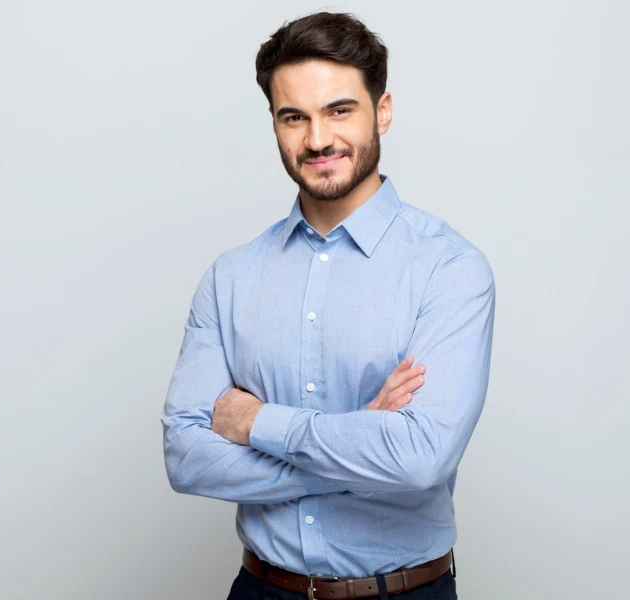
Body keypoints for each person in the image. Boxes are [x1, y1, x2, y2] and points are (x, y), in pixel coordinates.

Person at [160, 11, 496, 600]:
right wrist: (362, 441)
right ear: (274, 123)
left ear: (382, 111)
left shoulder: (448, 268)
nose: (317, 140)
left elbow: (420, 460)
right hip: (263, 588)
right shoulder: (232, 276)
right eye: (295, 117)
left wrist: (255, 423)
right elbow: (187, 458)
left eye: (340, 110)